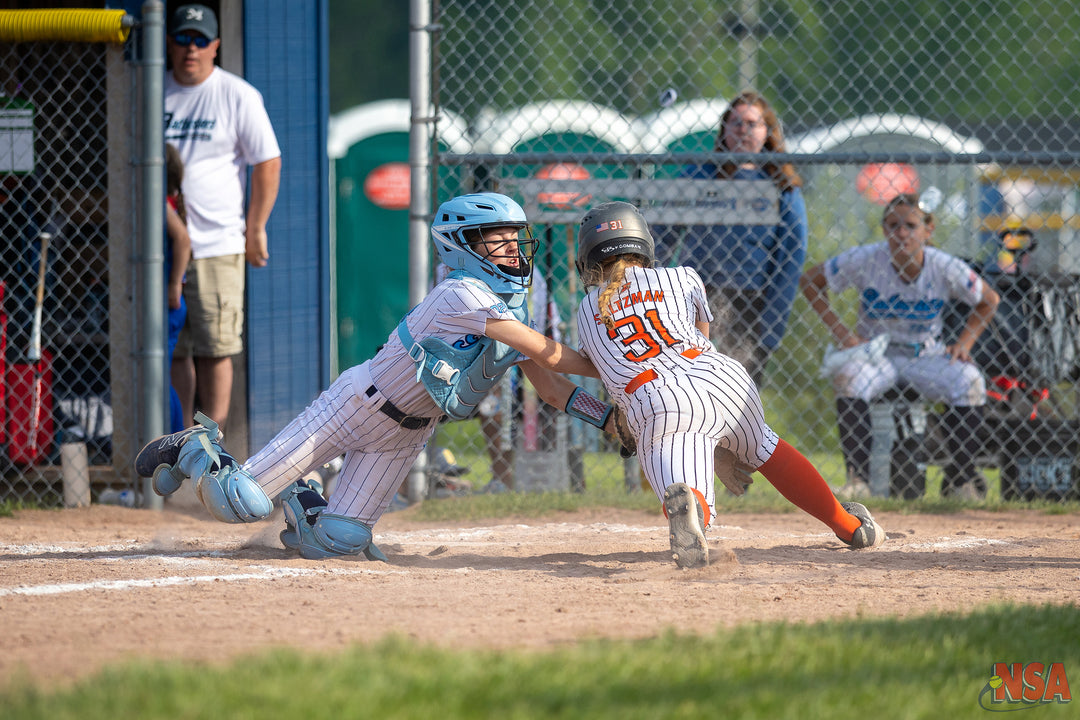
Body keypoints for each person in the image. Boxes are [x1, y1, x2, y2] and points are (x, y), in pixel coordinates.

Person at [134, 193, 623, 560]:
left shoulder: (505, 311)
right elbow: (551, 355)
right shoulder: (461, 294)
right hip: (355, 406)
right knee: (238, 502)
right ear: (463, 246)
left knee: (339, 543)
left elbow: (552, 385)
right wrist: (608, 357)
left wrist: (606, 420)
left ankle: (304, 500)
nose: (514, 251)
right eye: (499, 241)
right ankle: (194, 446)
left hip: (404, 436)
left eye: (516, 240)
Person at [573, 201, 886, 569]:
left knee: (687, 492)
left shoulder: (586, 311)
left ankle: (695, 512)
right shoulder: (683, 275)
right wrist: (722, 441)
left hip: (659, 398)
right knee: (765, 446)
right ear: (644, 244)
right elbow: (699, 337)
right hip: (724, 377)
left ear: (588, 261)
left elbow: (611, 368)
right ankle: (850, 526)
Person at [800, 193, 1001, 500]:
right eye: (893, 225)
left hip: (925, 354)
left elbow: (989, 300)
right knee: (849, 377)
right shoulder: (867, 258)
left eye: (910, 225)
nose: (901, 233)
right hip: (876, 354)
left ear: (928, 230)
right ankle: (858, 480)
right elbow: (810, 281)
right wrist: (842, 333)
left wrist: (965, 342)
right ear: (884, 230)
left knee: (969, 380)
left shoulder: (943, 266)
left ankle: (961, 480)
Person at [164, 3, 282, 433]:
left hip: (217, 244)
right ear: (169, 43)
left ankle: (209, 446)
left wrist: (255, 228)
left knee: (216, 347)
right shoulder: (151, 93)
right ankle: (178, 439)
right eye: (182, 39)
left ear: (215, 45)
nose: (190, 49)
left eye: (199, 40)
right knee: (176, 350)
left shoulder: (237, 94)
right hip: (162, 247)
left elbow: (267, 161)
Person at [654, 90, 807, 386]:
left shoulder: (782, 186)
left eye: (752, 123)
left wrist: (770, 327)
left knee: (734, 392)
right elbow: (663, 233)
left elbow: (791, 257)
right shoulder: (700, 175)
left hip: (748, 302)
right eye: (735, 122)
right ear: (723, 129)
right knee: (689, 385)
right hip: (695, 295)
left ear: (768, 132)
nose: (742, 130)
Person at [165, 143, 192, 434]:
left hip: (169, 303)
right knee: (160, 371)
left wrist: (174, 282)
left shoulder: (162, 204)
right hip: (164, 303)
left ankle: (176, 437)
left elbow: (183, 240)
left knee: (160, 374)